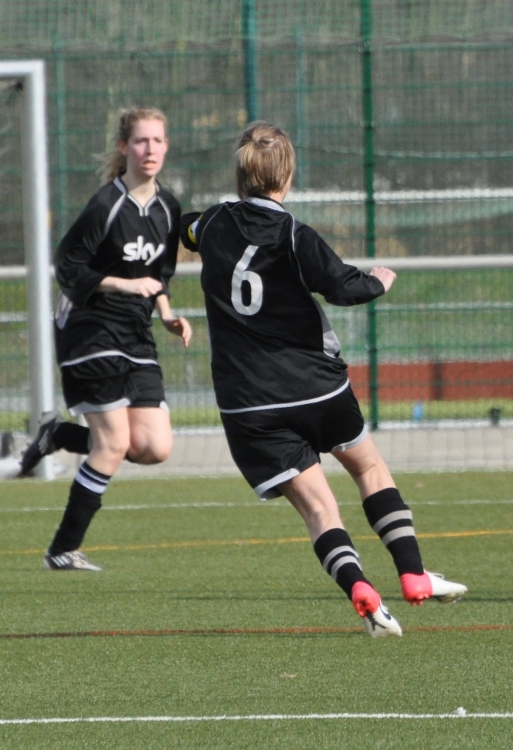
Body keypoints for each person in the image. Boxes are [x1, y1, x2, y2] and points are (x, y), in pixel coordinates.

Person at [180, 122, 466, 638]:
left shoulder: (215, 223)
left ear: (240, 175)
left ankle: (363, 592)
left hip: (249, 404)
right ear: (285, 178)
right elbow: (339, 285)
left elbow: (187, 229)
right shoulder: (294, 234)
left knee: (318, 509)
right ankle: (413, 573)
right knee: (370, 468)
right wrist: (376, 281)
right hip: (316, 389)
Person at [18, 106, 192, 572]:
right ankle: (62, 550)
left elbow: (159, 276)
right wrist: (123, 283)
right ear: (124, 148)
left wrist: (170, 316)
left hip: (135, 332)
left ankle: (58, 434)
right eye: (140, 141)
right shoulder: (105, 204)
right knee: (113, 443)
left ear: (166, 146)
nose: (149, 149)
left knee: (154, 447)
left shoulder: (169, 208)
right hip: (87, 328)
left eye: (157, 141)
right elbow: (68, 268)